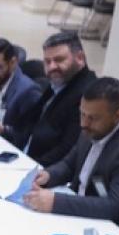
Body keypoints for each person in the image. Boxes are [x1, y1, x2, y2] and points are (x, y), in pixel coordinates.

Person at [23, 76, 119, 228]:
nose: (83, 123)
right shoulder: (92, 128)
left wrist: (55, 202)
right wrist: (49, 176)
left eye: (92, 118)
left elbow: (115, 207)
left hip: (112, 227)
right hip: (82, 210)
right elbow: (70, 164)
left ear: (117, 116)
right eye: (82, 114)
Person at [12, 30, 94, 164]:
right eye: (47, 61)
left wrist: (31, 167)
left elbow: (67, 150)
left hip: (42, 167)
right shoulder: (59, 82)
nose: (52, 67)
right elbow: (30, 122)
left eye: (59, 60)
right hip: (23, 157)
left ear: (80, 58)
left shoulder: (87, 95)